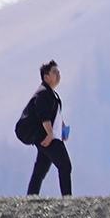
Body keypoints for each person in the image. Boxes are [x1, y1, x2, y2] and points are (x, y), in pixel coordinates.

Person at [19, 60, 73, 196]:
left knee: (40, 170)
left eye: (58, 72)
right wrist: (49, 135)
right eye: (54, 72)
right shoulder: (43, 93)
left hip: (46, 136)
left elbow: (53, 115)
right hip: (46, 137)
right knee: (65, 165)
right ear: (46, 76)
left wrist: (62, 129)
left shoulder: (51, 94)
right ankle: (67, 198)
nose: (58, 75)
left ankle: (31, 198)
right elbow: (44, 116)